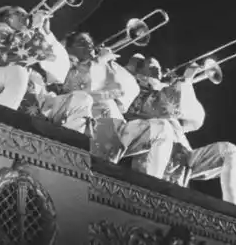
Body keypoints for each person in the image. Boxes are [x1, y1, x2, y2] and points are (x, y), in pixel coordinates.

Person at [128, 55, 236, 205]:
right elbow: (163, 107)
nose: (158, 70)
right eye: (152, 66)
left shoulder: (166, 88)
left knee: (229, 150)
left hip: (183, 156)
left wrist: (185, 84)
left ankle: (231, 208)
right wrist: (184, 80)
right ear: (140, 72)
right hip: (153, 156)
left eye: (159, 68)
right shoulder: (136, 91)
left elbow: (197, 118)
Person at [61, 32, 176, 179]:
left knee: (162, 128)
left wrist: (113, 67)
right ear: (70, 49)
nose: (89, 45)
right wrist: (100, 60)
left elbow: (128, 95)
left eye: (90, 42)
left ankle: (151, 183)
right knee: (105, 164)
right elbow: (78, 87)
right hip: (93, 127)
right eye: (81, 42)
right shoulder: (70, 66)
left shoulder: (104, 66)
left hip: (118, 124)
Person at [0, 6, 94, 134]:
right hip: (5, 93)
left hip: (39, 99)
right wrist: (32, 27)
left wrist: (46, 32)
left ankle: (68, 141)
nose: (25, 16)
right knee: (20, 75)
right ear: (5, 18)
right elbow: (5, 56)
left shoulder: (31, 37)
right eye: (18, 13)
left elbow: (59, 72)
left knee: (82, 99)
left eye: (26, 14)